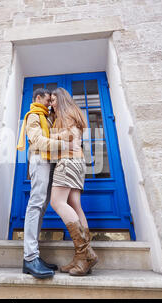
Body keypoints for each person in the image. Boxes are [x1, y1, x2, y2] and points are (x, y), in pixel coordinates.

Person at [16, 87, 72, 279]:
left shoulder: (46, 116)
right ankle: (30, 257)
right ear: (38, 98)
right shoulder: (33, 116)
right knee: (36, 205)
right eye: (47, 100)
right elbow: (39, 141)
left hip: (48, 163)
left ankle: (32, 258)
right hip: (39, 160)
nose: (49, 104)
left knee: (41, 206)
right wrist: (64, 145)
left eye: (51, 101)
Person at [49, 87, 98, 276]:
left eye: (53, 100)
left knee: (57, 201)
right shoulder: (75, 112)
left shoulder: (66, 114)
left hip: (68, 161)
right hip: (78, 161)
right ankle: (84, 256)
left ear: (61, 100)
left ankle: (84, 254)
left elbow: (69, 137)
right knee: (75, 204)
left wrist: (49, 136)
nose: (51, 104)